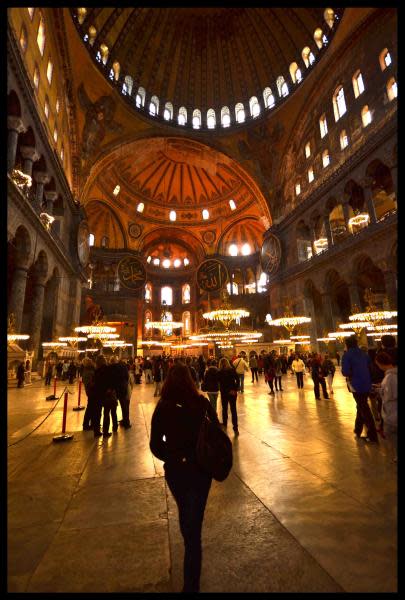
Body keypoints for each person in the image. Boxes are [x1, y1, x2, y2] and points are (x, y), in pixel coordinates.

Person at [150, 364, 219, 593]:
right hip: (201, 470)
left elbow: (155, 444)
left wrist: (171, 456)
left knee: (187, 519)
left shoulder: (163, 406)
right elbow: (216, 432)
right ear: (191, 379)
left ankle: (191, 584)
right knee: (194, 522)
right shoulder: (202, 403)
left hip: (177, 472)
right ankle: (192, 579)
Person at [341, 335, 378, 443]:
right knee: (361, 405)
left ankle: (372, 436)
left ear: (347, 345)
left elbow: (345, 372)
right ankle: (357, 430)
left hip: (356, 385)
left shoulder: (347, 355)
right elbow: (371, 368)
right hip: (367, 383)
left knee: (364, 408)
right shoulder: (364, 353)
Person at [375, 351, 397, 461]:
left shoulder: (390, 377)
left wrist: (381, 391)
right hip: (392, 411)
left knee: (389, 432)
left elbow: (391, 394)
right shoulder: (390, 375)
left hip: (392, 411)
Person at [93, 355, 117, 438]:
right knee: (106, 413)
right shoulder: (108, 369)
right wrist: (111, 389)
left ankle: (96, 431)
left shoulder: (96, 370)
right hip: (107, 393)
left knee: (97, 413)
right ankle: (105, 432)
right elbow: (112, 380)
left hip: (98, 393)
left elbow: (95, 382)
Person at [218, 358, 240, 434]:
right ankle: (235, 428)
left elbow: (218, 382)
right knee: (233, 410)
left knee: (225, 409)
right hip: (232, 392)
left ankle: (225, 425)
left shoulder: (220, 372)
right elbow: (238, 380)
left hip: (224, 393)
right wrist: (235, 389)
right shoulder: (232, 370)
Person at [109, 356, 131, 429]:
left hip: (113, 390)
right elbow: (127, 377)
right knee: (124, 406)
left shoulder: (109, 368)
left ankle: (115, 426)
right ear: (117, 360)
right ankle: (126, 423)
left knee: (113, 408)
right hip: (122, 388)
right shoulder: (123, 366)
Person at [82, 357, 96, 430]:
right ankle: (86, 424)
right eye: (90, 361)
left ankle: (92, 423)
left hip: (90, 391)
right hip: (92, 391)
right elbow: (90, 383)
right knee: (90, 408)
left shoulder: (88, 370)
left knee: (92, 408)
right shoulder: (88, 372)